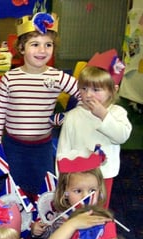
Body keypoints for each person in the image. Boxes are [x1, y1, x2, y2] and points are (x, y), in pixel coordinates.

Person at [0, 13, 80, 197]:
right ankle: (16, 220)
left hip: (42, 146)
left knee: (44, 188)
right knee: (14, 187)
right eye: (35, 44)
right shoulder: (10, 78)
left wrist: (69, 118)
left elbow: (83, 94)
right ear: (22, 48)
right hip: (13, 145)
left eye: (48, 45)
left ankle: (40, 222)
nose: (42, 50)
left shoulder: (57, 76)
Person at [57, 50, 132, 207]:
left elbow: (121, 136)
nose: (88, 95)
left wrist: (103, 115)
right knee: (75, 211)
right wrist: (62, 179)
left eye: (96, 90)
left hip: (104, 175)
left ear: (113, 90)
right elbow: (63, 150)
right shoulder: (73, 116)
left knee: (99, 211)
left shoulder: (117, 113)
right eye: (84, 89)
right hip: (76, 178)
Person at [31, 149, 107, 239]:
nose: (86, 196)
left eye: (92, 191)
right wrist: (37, 231)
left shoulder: (101, 217)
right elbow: (49, 238)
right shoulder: (60, 218)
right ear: (65, 191)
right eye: (78, 191)